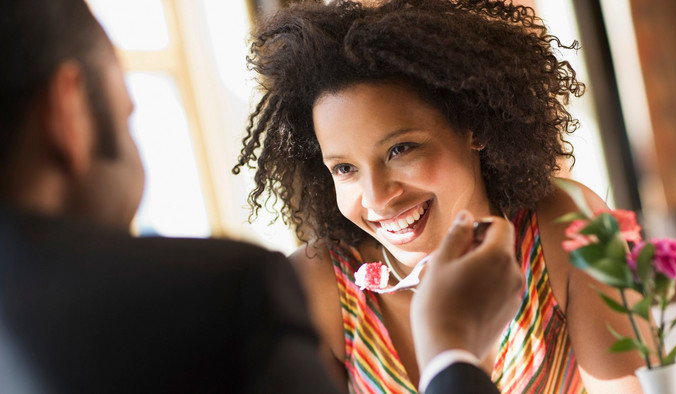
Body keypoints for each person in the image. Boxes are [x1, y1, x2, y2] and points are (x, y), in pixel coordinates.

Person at [0, 0, 522, 393]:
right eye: (128, 112)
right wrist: (451, 350)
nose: (379, 195)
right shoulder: (226, 298)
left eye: (401, 148)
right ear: (69, 112)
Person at [235, 0, 652, 392]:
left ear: (476, 128)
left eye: (401, 149)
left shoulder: (569, 226)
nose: (377, 198)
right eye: (345, 169)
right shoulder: (320, 288)